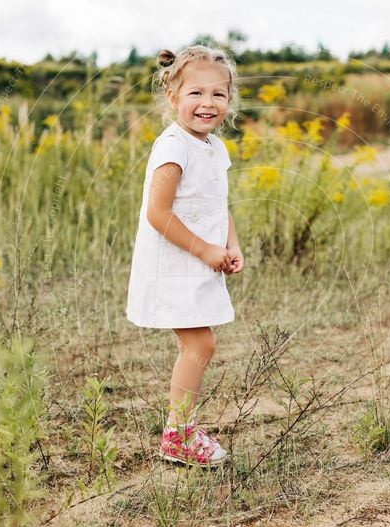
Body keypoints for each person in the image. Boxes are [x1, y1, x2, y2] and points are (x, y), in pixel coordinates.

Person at [125, 45, 244, 468]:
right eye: (196, 93)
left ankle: (182, 428)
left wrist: (231, 244)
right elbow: (157, 213)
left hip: (200, 258)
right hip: (174, 262)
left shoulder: (213, 147)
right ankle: (179, 434)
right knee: (200, 342)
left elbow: (218, 202)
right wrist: (206, 249)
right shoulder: (173, 147)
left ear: (229, 102)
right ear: (172, 97)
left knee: (199, 342)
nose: (207, 104)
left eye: (218, 95)